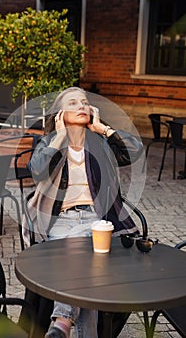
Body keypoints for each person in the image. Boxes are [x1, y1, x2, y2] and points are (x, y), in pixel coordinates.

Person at [28, 87, 143, 338]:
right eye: (73, 103)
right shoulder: (48, 142)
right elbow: (36, 171)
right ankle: (63, 322)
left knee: (80, 260)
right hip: (60, 221)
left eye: (85, 102)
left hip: (96, 219)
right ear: (59, 114)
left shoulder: (99, 142)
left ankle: (61, 323)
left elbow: (134, 151)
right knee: (86, 270)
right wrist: (58, 138)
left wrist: (103, 129)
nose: (81, 106)